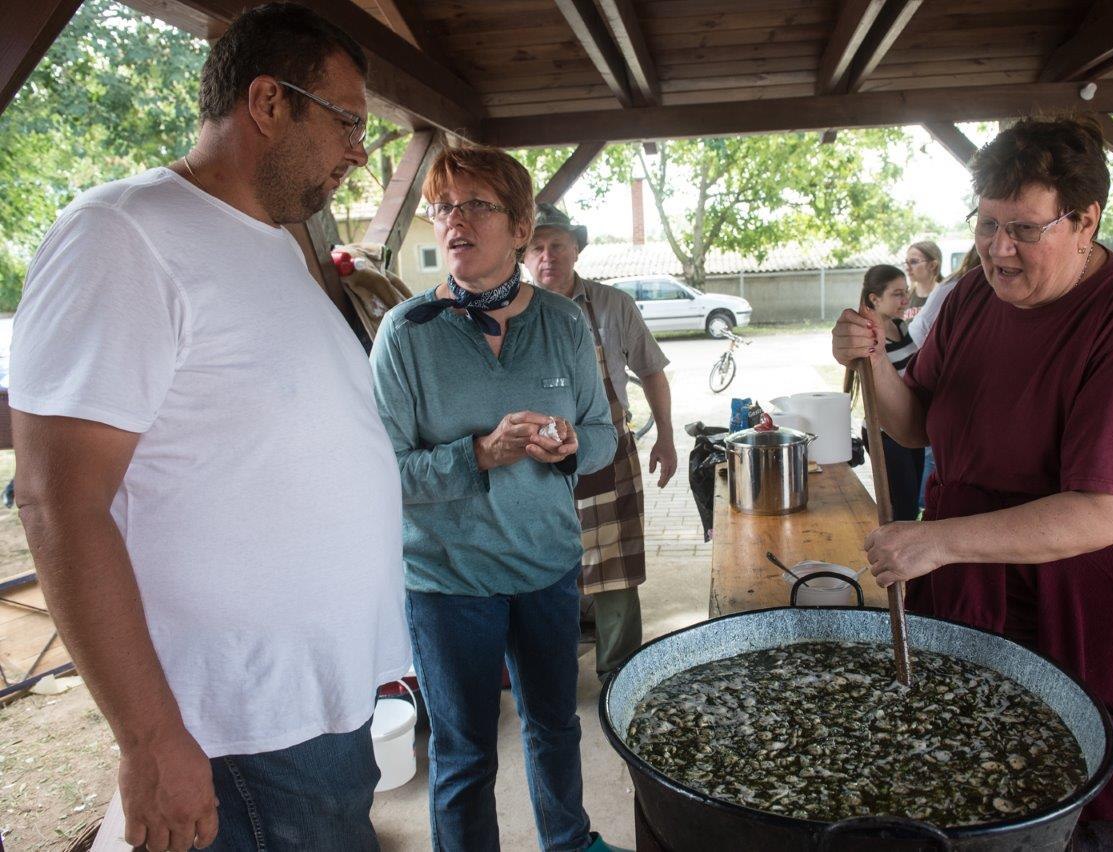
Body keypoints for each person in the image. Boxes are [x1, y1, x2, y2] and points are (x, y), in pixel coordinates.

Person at [9, 4, 410, 850]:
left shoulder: (277, 243)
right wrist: (151, 739)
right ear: (268, 101)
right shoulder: (123, 234)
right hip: (237, 730)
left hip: (315, 708)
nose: (358, 153)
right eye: (346, 123)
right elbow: (56, 499)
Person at [832, 115, 1113, 850]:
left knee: (1075, 810)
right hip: (977, 586)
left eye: (1023, 229)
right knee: (969, 785)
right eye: (987, 224)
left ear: (1085, 222)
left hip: (1093, 602)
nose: (998, 249)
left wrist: (937, 543)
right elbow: (915, 426)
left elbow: (1110, 511)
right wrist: (876, 363)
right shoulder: (973, 298)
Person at [369, 143, 623, 852]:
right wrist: (478, 454)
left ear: (519, 227)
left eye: (476, 205)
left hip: (547, 567)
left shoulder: (563, 322)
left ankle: (568, 842)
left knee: (556, 726)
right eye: (443, 207)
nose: (455, 220)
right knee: (465, 751)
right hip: (448, 581)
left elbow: (603, 437)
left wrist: (571, 447)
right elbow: (382, 474)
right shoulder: (404, 334)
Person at [525, 203, 676, 678]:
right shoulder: (513, 310)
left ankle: (618, 672)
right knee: (545, 566)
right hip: (537, 459)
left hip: (608, 448)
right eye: (536, 247)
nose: (547, 256)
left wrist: (666, 437)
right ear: (522, 255)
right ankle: (552, 673)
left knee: (615, 566)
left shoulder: (613, 304)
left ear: (576, 248)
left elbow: (651, 371)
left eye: (556, 245)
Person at [908, 244, 980, 515]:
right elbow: (918, 329)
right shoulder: (959, 287)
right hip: (944, 388)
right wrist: (937, 356)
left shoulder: (953, 286)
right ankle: (925, 504)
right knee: (934, 453)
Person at [857, 264, 921, 522]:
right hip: (884, 432)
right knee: (902, 506)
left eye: (906, 293)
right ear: (875, 299)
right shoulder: (868, 338)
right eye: (897, 294)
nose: (905, 300)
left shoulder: (900, 326)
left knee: (912, 503)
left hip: (912, 425)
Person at [903, 239, 943, 318]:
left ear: (932, 265)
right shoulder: (906, 296)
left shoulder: (944, 296)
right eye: (906, 262)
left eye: (913, 262)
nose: (907, 268)